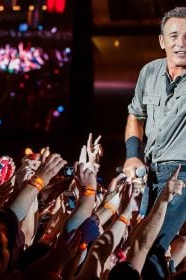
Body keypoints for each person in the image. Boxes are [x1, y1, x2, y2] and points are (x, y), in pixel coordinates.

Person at [123, 6, 186, 280]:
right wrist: (131, 155)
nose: (180, 43)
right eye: (173, 36)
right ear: (162, 41)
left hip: (182, 175)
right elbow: (135, 115)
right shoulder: (149, 72)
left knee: (150, 246)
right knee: (137, 244)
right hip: (149, 173)